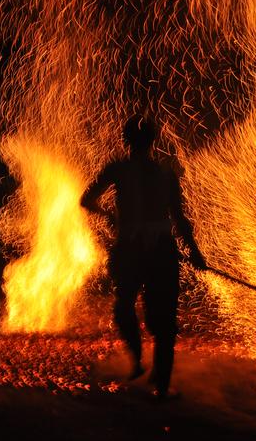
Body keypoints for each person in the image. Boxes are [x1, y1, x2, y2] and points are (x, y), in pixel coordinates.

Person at [80, 115, 207, 400]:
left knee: (124, 306)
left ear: (126, 140)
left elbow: (86, 200)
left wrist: (109, 216)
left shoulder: (118, 169)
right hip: (162, 248)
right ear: (154, 141)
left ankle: (137, 362)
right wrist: (195, 252)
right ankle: (161, 384)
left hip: (130, 247)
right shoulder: (166, 173)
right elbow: (180, 218)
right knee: (163, 320)